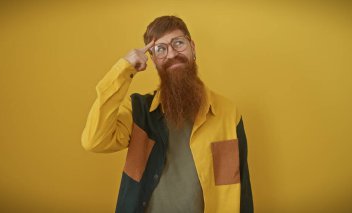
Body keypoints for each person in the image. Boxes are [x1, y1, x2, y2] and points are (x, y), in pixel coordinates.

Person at [81, 15, 253, 213]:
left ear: (193, 47)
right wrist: (124, 68)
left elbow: (240, 188)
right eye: (160, 49)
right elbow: (94, 140)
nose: (171, 54)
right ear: (153, 60)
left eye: (178, 43)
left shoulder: (228, 113)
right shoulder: (139, 110)